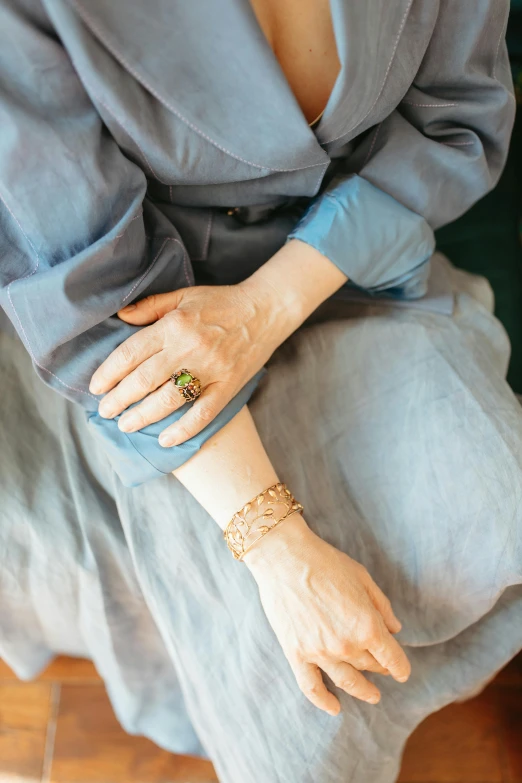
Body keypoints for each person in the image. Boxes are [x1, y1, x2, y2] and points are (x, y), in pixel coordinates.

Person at [1, 1, 521, 781]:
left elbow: (457, 124)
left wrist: (268, 305)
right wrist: (278, 546)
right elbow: (88, 293)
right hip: (140, 344)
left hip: (349, 271)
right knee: (288, 682)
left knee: (496, 510)